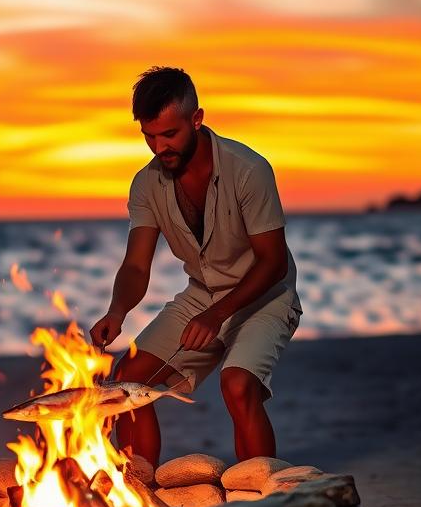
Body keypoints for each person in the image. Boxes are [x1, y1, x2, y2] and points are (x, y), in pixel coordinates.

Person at [90, 66, 302, 468]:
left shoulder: (249, 170)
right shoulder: (145, 184)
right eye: (149, 136)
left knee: (237, 386)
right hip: (203, 294)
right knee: (128, 381)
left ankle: (264, 502)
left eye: (169, 134)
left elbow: (273, 262)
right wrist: (117, 311)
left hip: (266, 296)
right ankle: (140, 494)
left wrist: (217, 315)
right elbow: (136, 265)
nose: (159, 147)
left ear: (197, 118)